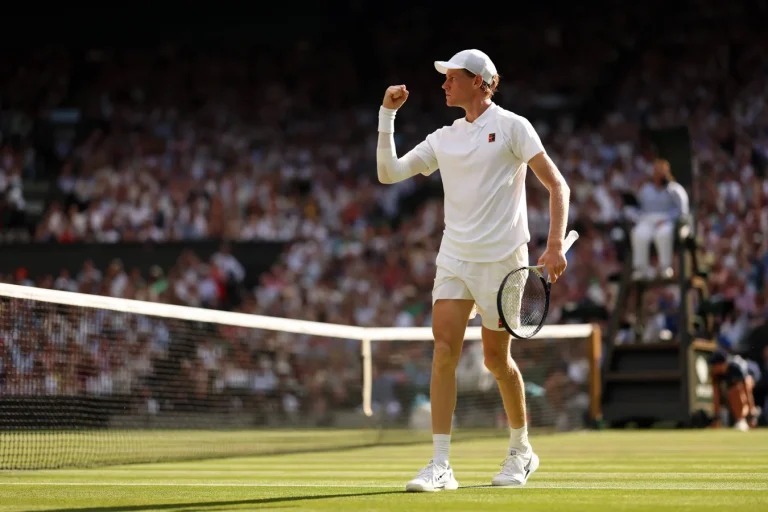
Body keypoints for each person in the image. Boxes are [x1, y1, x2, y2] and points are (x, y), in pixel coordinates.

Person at [376, 49, 570, 491]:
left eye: (453, 77)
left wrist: (555, 242)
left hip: (503, 262)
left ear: (481, 83)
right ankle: (441, 464)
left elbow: (558, 184)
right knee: (444, 350)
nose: (444, 84)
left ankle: (522, 450)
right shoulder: (443, 137)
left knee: (496, 361)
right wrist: (386, 116)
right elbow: (388, 173)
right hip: (455, 259)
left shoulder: (513, 127)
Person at [630, 159, 689, 280]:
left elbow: (682, 211)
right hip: (647, 220)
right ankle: (641, 269)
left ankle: (665, 267)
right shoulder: (646, 190)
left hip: (667, 221)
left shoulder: (675, 190)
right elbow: (639, 208)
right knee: (638, 234)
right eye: (657, 171)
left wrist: (667, 219)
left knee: (663, 234)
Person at [708, 350, 760, 431]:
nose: (713, 367)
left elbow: (747, 393)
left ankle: (742, 420)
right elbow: (716, 395)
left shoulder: (736, 368)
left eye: (714, 365)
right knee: (731, 392)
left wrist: (751, 415)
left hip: (750, 379)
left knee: (734, 391)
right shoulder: (715, 373)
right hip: (732, 386)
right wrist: (716, 418)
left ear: (722, 364)